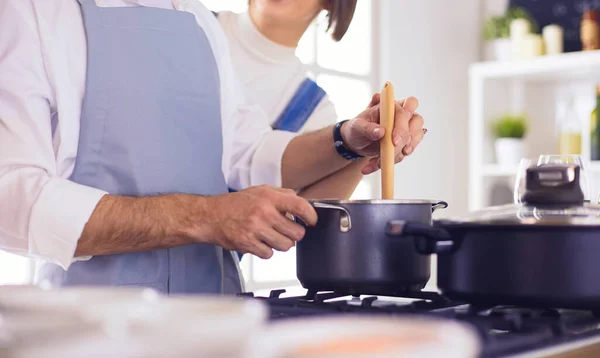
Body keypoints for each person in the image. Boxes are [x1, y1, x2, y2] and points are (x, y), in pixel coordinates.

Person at [0, 0, 426, 295]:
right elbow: (12, 200)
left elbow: (247, 155)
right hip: (93, 330)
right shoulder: (32, 12)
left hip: (214, 317)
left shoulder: (196, 19)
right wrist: (204, 217)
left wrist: (348, 138)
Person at [217, 0, 366, 199]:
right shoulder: (190, 23)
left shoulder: (316, 113)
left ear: (330, 3)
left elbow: (305, 219)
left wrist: (366, 147)